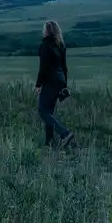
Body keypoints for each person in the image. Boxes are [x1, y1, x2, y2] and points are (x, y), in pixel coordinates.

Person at [36, 20, 74, 148]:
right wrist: (64, 85)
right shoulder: (61, 45)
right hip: (60, 80)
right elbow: (65, 68)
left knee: (43, 111)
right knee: (49, 111)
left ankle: (64, 133)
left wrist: (38, 84)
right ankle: (49, 142)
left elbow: (43, 67)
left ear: (46, 31)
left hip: (50, 81)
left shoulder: (45, 45)